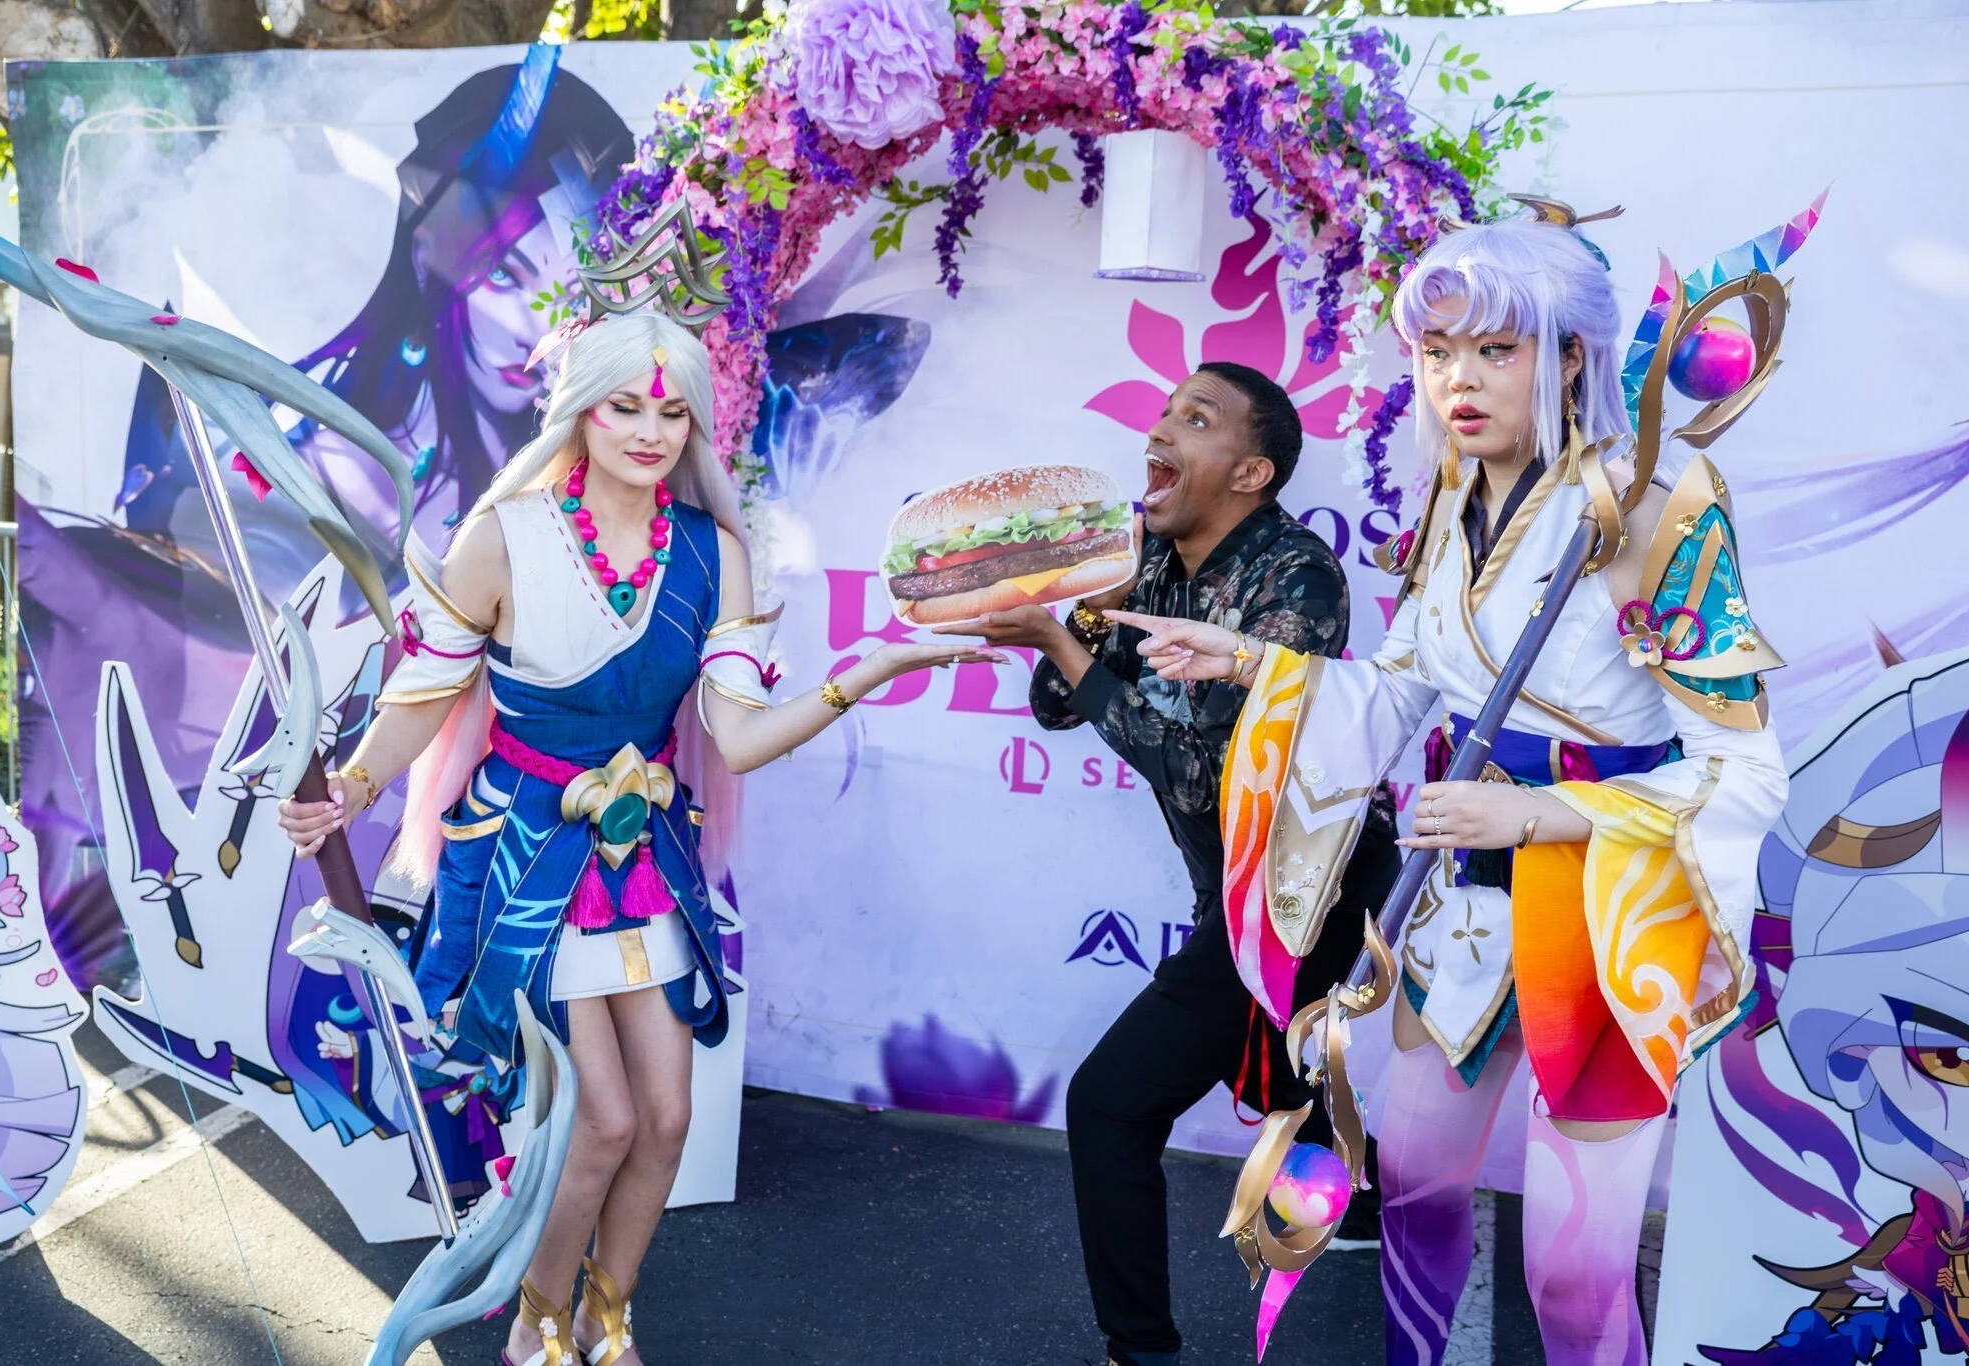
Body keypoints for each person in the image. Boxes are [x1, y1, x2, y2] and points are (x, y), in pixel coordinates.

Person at [1111, 214, 1788, 1365]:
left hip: (1607, 913)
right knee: (1415, 1189)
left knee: (1570, 1273)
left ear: (1568, 354)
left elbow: (1742, 766)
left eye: (1492, 350)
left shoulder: (1656, 516)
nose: (1456, 382)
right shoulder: (1447, 506)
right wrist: (1249, 662)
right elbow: (1402, 690)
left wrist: (1540, 811)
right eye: (1435, 354)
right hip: (1465, 905)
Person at [277, 309, 997, 1366]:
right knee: (599, 1121)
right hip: (528, 854)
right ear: (580, 408)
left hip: (643, 854)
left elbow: (737, 738)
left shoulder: (711, 555)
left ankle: (606, 1313)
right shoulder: (502, 536)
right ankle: (536, 1321)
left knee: (666, 1115)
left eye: (672, 410)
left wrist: (866, 670)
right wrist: (350, 784)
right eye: (625, 404)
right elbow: (425, 693)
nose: (650, 429)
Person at [951, 360, 1399, 1366]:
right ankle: (1355, 1194)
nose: (1160, 431)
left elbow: (1200, 776)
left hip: (1307, 892)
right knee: (1290, 1057)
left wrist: (1070, 644)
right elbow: (1054, 706)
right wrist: (1083, 608)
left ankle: (1138, 1350)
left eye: (1193, 419)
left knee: (1109, 1103)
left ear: (1249, 471)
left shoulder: (1297, 583)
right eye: (1161, 414)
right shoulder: (1145, 558)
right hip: (1231, 890)